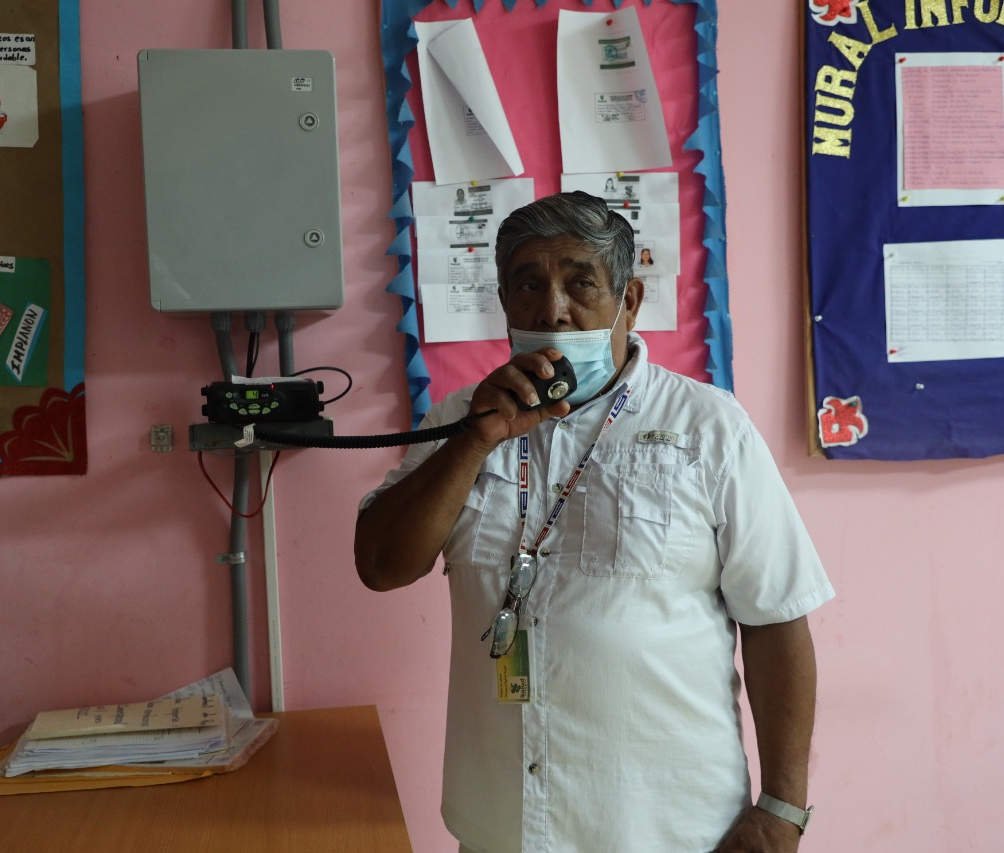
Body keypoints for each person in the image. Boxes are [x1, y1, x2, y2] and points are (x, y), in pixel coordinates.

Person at [355, 191, 833, 852]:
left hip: (670, 831)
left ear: (627, 300)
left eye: (580, 283)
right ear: (505, 302)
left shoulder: (708, 426)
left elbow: (776, 617)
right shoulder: (457, 420)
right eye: (528, 284)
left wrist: (782, 808)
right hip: (502, 830)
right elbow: (381, 566)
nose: (552, 308)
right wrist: (473, 442)